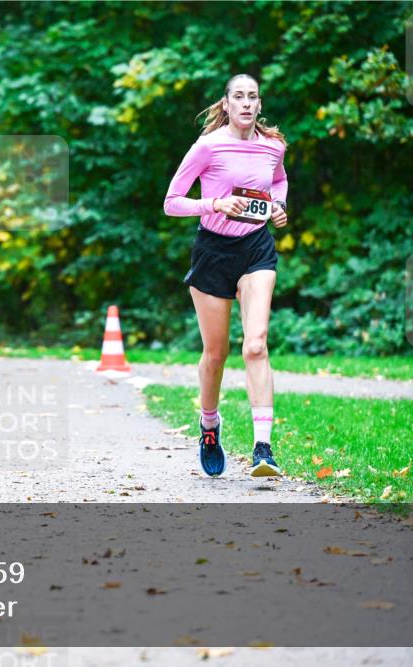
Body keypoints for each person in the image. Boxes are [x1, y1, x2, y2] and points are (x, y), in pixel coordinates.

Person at [163, 73, 289, 478]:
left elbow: (279, 180)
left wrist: (278, 206)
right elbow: (172, 202)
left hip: (256, 249)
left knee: (255, 345)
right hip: (213, 251)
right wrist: (216, 203)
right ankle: (210, 425)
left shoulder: (273, 147)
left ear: (259, 104)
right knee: (216, 355)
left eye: (253, 97)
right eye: (239, 96)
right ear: (227, 103)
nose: (247, 103)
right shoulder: (208, 146)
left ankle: (263, 449)